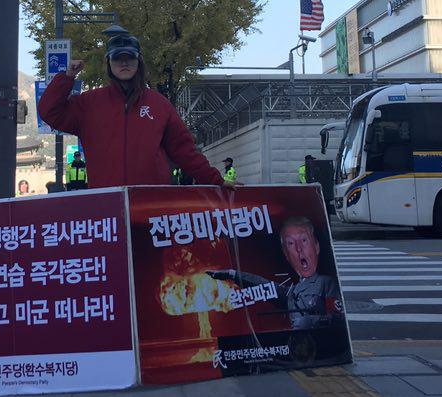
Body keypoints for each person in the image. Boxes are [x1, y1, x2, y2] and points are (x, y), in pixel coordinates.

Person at [37, 32, 226, 188]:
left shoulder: (159, 105)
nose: (124, 63)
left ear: (139, 61)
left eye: (130, 57)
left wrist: (216, 181)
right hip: (107, 204)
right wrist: (67, 77)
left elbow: (185, 151)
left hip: (153, 203)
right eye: (118, 58)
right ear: (109, 63)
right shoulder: (88, 103)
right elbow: (49, 112)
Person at [210, 215, 342, 330]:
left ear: (316, 246)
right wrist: (232, 274)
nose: (299, 249)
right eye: (291, 243)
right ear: (287, 255)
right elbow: (265, 286)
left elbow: (339, 318)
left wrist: (311, 321)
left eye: (303, 240)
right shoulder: (292, 292)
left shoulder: (327, 283)